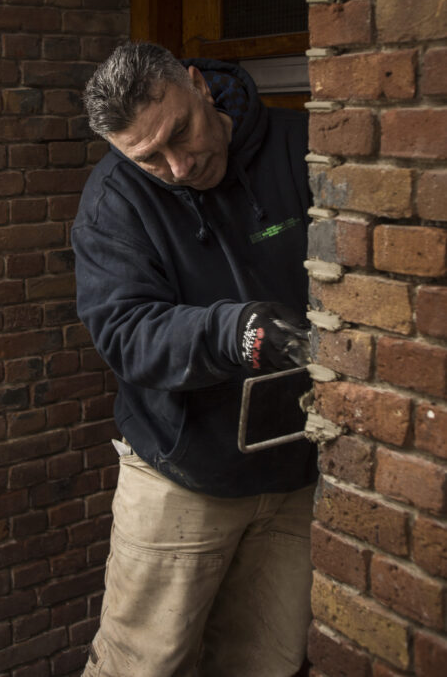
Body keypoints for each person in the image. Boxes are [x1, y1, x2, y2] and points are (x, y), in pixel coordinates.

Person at [71, 41, 318, 677]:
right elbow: (124, 331)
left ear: (198, 85)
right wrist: (233, 333)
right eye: (149, 157)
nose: (178, 166)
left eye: (180, 132)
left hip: (295, 465)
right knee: (144, 666)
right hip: (181, 471)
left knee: (265, 662)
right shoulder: (113, 200)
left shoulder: (302, 144)